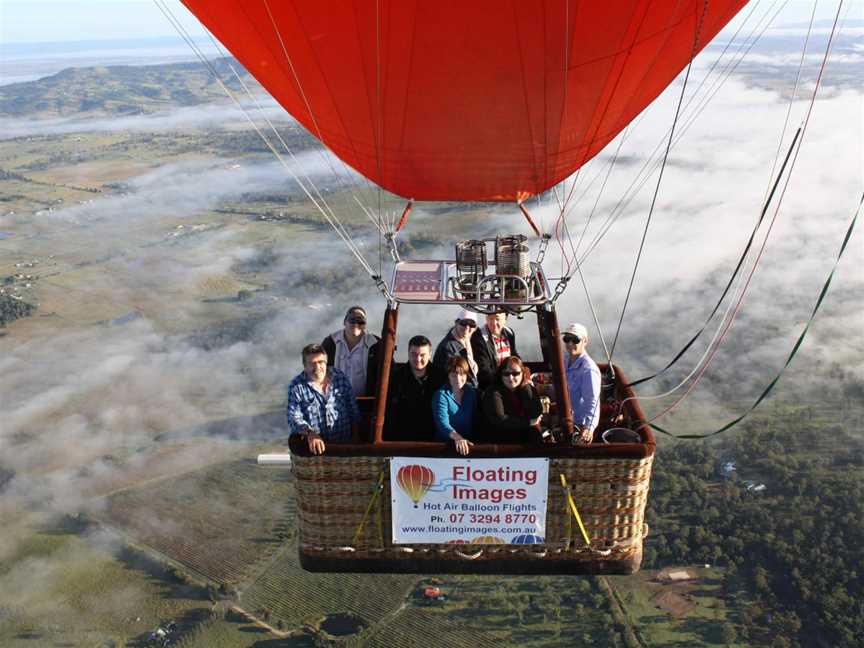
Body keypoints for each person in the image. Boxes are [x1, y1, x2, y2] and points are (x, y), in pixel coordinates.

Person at [286, 343, 361, 455]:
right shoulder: (297, 386)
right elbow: (293, 418)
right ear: (305, 366)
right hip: (316, 451)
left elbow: (353, 409)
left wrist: (356, 438)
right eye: (312, 363)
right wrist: (310, 433)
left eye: (320, 362)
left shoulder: (339, 377)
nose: (317, 367)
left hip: (345, 446)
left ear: (326, 362)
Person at [384, 335, 445, 441]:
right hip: (404, 438)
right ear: (408, 353)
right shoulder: (397, 378)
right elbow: (390, 413)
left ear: (430, 354)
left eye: (422, 355)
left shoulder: (440, 377)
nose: (418, 359)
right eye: (414, 354)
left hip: (433, 438)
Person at [481, 356, 544, 445]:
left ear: (522, 374)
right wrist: (528, 422)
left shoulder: (526, 388)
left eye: (515, 373)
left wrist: (526, 388)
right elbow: (500, 420)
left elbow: (535, 413)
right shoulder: (493, 392)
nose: (510, 378)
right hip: (501, 442)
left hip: (524, 436)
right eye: (506, 374)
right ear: (501, 375)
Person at [321, 305, 381, 397]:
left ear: (365, 325)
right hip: (335, 402)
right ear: (344, 322)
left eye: (360, 321)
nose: (356, 324)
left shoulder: (376, 344)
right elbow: (318, 368)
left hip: (366, 403)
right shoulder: (330, 343)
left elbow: (387, 372)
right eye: (352, 320)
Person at [432, 355, 478, 456]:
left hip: (467, 446)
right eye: (454, 374)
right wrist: (457, 437)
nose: (458, 378)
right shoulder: (441, 395)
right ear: (448, 375)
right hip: (444, 448)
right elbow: (442, 423)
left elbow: (475, 418)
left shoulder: (471, 393)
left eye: (461, 374)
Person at [563, 323, 600, 445]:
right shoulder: (565, 360)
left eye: (575, 340)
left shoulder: (588, 370)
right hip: (564, 416)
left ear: (585, 341)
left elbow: (592, 401)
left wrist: (589, 428)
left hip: (577, 424)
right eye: (566, 339)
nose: (569, 344)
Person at [432, 308, 479, 387]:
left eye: (472, 324)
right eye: (463, 323)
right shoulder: (448, 347)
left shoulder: (467, 340)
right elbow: (456, 376)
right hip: (451, 390)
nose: (467, 327)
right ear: (456, 323)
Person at [471, 311, 518, 389]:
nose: (493, 323)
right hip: (491, 384)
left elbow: (514, 355)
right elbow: (484, 369)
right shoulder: (478, 337)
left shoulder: (509, 333)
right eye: (490, 318)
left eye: (497, 319)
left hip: (510, 378)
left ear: (505, 318)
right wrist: (504, 382)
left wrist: (523, 371)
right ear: (486, 318)